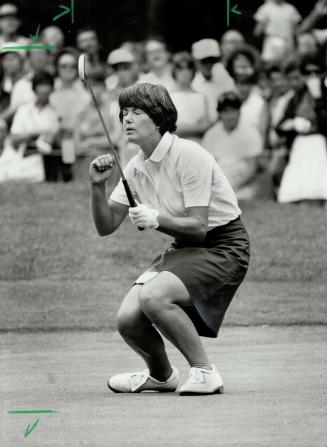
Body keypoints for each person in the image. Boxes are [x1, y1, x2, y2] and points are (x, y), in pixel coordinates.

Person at [89, 83, 250, 395]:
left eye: (137, 112)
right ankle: (161, 375)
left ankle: (205, 371)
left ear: (160, 120)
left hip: (225, 246)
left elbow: (199, 227)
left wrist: (155, 218)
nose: (127, 119)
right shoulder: (135, 166)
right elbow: (106, 225)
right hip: (186, 247)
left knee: (154, 296)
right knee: (128, 320)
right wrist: (96, 187)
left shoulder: (189, 155)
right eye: (124, 113)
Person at [276, 57, 327, 205]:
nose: (312, 76)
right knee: (298, 189)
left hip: (320, 145)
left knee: (318, 186)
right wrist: (292, 124)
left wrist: (318, 99)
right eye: (307, 72)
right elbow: (279, 126)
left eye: (316, 72)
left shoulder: (325, 95)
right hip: (299, 146)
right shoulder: (297, 97)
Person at [0, 71, 60, 182]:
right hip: (18, 154)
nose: (44, 90)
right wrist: (34, 134)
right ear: (34, 88)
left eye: (47, 85)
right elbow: (14, 138)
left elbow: (49, 141)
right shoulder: (23, 110)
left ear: (51, 89)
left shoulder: (55, 113)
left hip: (39, 160)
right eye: (41, 85)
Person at [202, 91, 263, 199]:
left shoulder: (251, 132)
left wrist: (234, 186)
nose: (229, 115)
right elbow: (206, 167)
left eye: (232, 111)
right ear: (220, 114)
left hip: (242, 183)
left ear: (239, 112)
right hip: (218, 181)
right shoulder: (211, 134)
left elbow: (252, 167)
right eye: (225, 111)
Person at [50, 48, 90, 181]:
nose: (68, 69)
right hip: (54, 140)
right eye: (63, 66)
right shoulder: (50, 91)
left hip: (79, 140)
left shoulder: (85, 94)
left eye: (73, 66)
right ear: (56, 68)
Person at [192, 38, 235, 123]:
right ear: (196, 61)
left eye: (212, 60)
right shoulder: (192, 83)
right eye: (204, 61)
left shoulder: (225, 78)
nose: (209, 64)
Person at [170, 52, 210, 143]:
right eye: (180, 68)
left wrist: (181, 128)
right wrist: (198, 128)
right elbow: (168, 129)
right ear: (174, 71)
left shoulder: (201, 97)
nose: (185, 72)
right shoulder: (167, 97)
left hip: (198, 146)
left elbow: (206, 127)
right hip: (175, 146)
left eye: (188, 68)